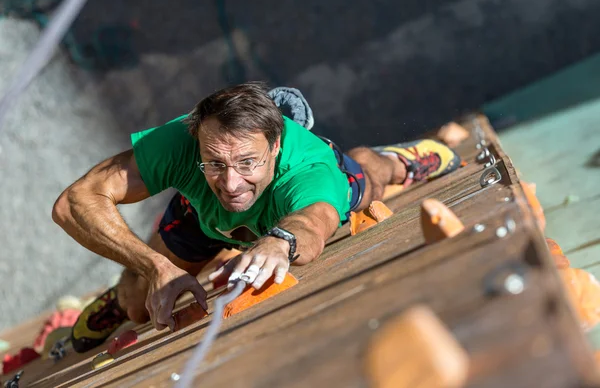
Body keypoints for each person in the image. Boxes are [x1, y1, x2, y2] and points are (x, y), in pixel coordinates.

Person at [52, 82, 461, 353]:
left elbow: (313, 221)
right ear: (196, 141)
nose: (231, 182)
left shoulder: (310, 173)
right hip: (204, 212)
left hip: (287, 208)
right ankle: (128, 286)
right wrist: (152, 265)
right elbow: (73, 203)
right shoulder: (181, 141)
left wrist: (279, 241)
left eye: (248, 162)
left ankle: (392, 160)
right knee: (137, 306)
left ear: (277, 144)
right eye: (215, 162)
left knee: (368, 180)